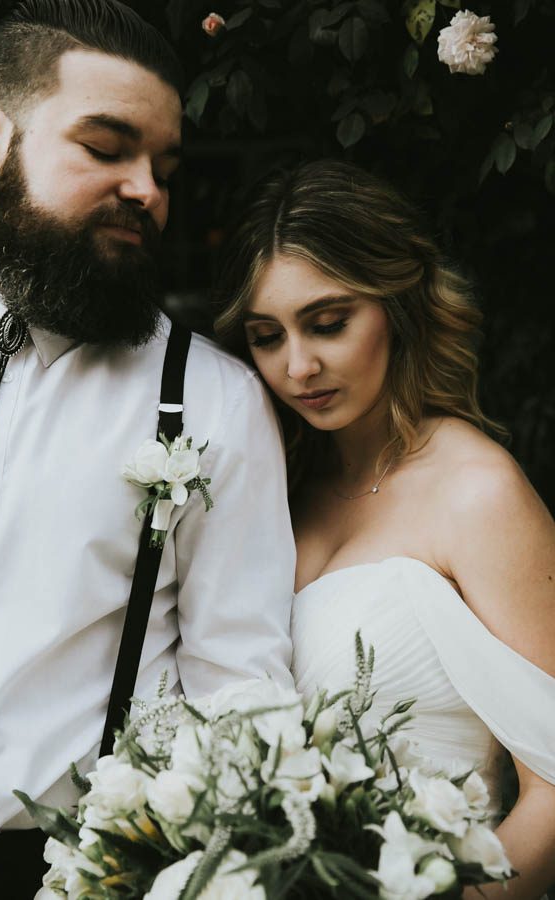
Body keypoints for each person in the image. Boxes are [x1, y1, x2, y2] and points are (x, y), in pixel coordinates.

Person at [0, 2, 295, 896]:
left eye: (162, 167)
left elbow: (240, 697)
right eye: (106, 149)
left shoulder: (214, 400)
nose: (147, 190)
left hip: (85, 872)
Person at [213, 159, 555, 899]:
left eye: (328, 323)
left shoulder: (478, 492)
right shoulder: (276, 496)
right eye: (267, 336)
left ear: (397, 306)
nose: (299, 366)